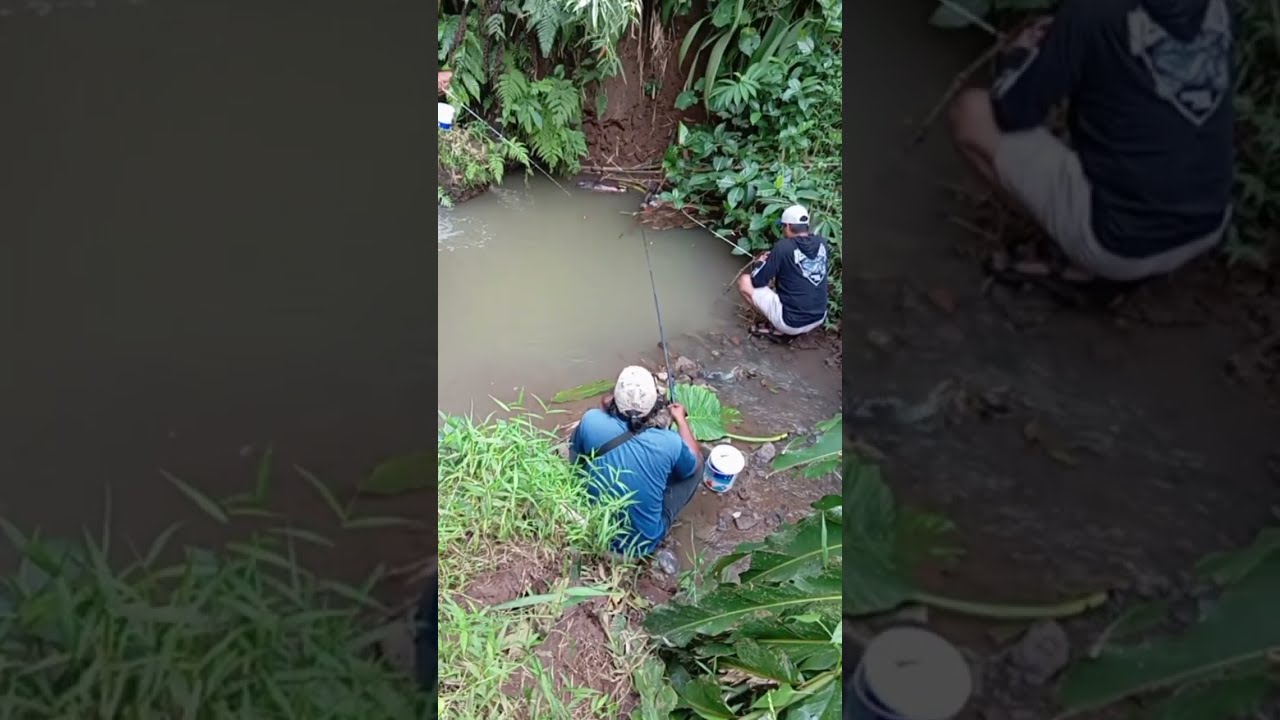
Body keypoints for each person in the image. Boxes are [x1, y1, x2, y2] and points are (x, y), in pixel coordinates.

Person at [948, 0, 1234, 291]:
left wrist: (1018, 54)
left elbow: (1012, 111)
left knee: (972, 113)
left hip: (1118, 247)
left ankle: (1075, 261)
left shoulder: (1089, 14)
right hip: (1207, 224)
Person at [569, 366, 702, 557]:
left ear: (614, 398)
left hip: (589, 529)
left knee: (579, 446)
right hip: (635, 549)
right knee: (696, 465)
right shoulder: (670, 442)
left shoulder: (591, 420)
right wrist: (680, 420)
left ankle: (578, 496)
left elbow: (577, 448)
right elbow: (694, 463)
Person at [736, 204, 830, 342]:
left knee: (744, 281)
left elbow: (757, 281)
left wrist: (760, 263)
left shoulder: (783, 246)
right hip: (819, 317)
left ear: (787, 226)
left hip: (791, 323)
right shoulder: (822, 243)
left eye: (782, 226)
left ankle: (779, 329)